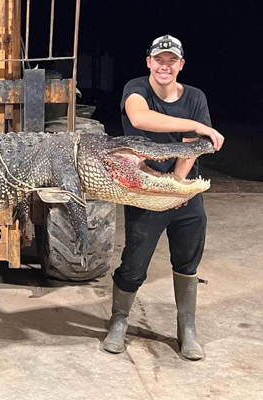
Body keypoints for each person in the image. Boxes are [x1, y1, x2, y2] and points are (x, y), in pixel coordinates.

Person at [103, 34, 224, 361]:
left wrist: (176, 187)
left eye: (172, 61)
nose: (165, 66)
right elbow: (141, 119)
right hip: (143, 191)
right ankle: (119, 319)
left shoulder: (195, 96)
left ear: (181, 65)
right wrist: (197, 124)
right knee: (134, 263)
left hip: (182, 189)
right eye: (159, 60)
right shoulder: (136, 89)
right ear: (149, 63)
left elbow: (189, 145)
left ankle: (187, 327)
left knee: (188, 259)